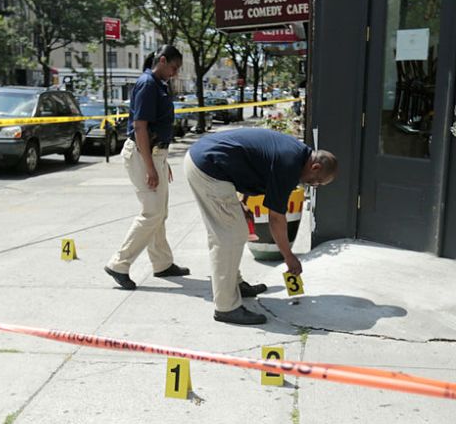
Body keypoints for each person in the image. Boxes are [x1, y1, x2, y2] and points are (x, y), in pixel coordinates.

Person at [184, 128, 337, 325]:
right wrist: (289, 257)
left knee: (234, 231)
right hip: (208, 167)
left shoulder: (297, 154)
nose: (313, 185)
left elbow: (255, 163)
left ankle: (235, 285)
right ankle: (226, 307)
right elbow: (275, 218)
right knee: (229, 236)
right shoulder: (290, 164)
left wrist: (243, 201)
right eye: (317, 182)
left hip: (209, 161)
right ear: (315, 167)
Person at [104, 45, 190, 289]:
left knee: (159, 212)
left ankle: (162, 263)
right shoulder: (147, 84)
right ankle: (118, 264)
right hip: (143, 155)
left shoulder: (160, 84)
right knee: (151, 212)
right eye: (173, 67)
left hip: (154, 155)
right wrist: (151, 166)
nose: (175, 73)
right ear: (161, 60)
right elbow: (140, 127)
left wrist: (162, 162)